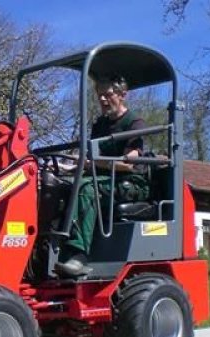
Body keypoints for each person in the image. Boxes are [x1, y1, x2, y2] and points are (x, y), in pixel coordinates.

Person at [55, 74, 149, 277]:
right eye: (99, 96)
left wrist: (92, 164)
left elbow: (129, 163)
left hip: (130, 182)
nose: (103, 100)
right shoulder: (100, 126)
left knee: (87, 188)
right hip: (103, 178)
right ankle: (52, 247)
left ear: (123, 94)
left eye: (107, 95)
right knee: (62, 185)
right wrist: (72, 167)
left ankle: (79, 255)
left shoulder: (135, 123)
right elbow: (90, 158)